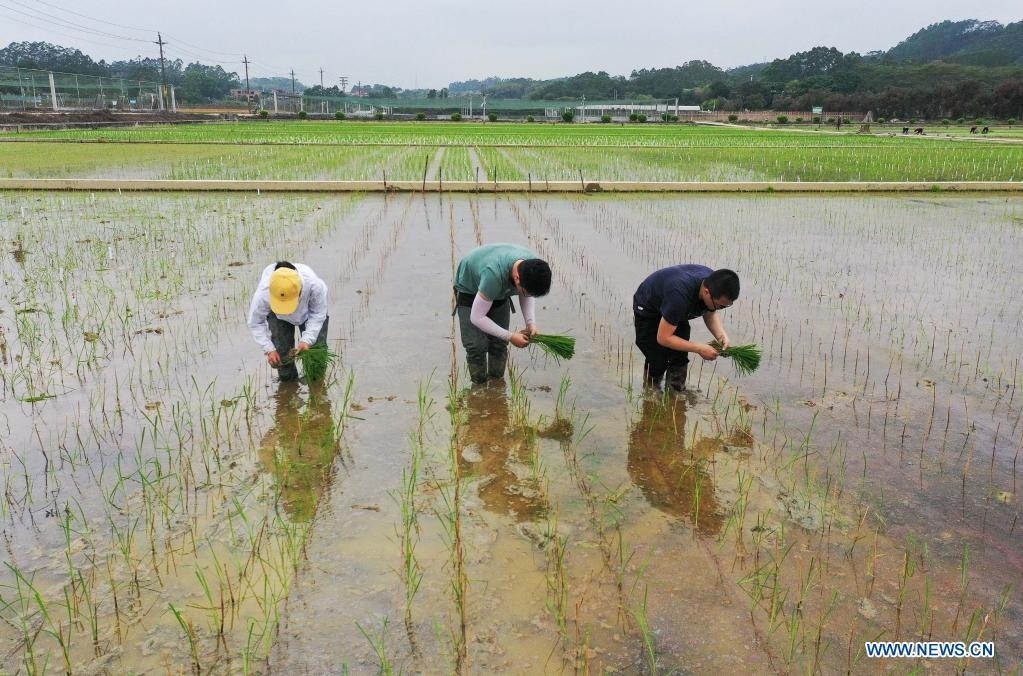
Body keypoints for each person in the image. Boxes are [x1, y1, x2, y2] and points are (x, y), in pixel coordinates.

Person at [453, 243, 552, 384]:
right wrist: (511, 336)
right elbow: (476, 317)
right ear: (517, 278)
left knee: (499, 344)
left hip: (498, 289)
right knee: (476, 346)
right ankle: (479, 388)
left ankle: (496, 387)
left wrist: (531, 323)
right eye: (524, 291)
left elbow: (527, 294)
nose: (526, 295)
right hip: (470, 289)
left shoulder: (532, 267)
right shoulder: (493, 274)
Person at [633, 266, 739, 392]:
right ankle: (651, 391)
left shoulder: (715, 285)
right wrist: (699, 348)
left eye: (725, 306)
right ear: (706, 292)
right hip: (649, 308)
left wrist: (722, 336)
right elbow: (663, 338)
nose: (720, 308)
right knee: (657, 358)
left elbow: (710, 312)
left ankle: (675, 393)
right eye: (720, 305)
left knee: (679, 356)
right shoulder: (679, 296)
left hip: (674, 308)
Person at [248, 261, 329, 383]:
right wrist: (269, 349)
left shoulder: (313, 285)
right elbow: (255, 322)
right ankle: (289, 387)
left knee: (315, 355)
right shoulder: (264, 293)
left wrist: (307, 340)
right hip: (277, 316)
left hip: (309, 313)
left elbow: (318, 314)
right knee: (282, 355)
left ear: (301, 290)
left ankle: (316, 386)